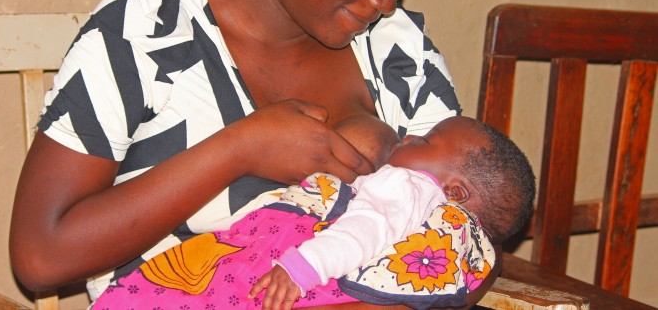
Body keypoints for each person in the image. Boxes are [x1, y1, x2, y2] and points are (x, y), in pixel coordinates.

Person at [9, 0, 479, 309]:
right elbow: (40, 255)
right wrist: (239, 150)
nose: (387, 1)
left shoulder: (397, 51)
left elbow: (470, 231)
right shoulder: (148, 26)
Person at [91, 116, 535, 309]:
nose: (411, 135)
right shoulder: (449, 240)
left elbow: (367, 227)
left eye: (425, 141)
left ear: (454, 192)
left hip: (297, 267)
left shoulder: (410, 187)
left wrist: (303, 267)